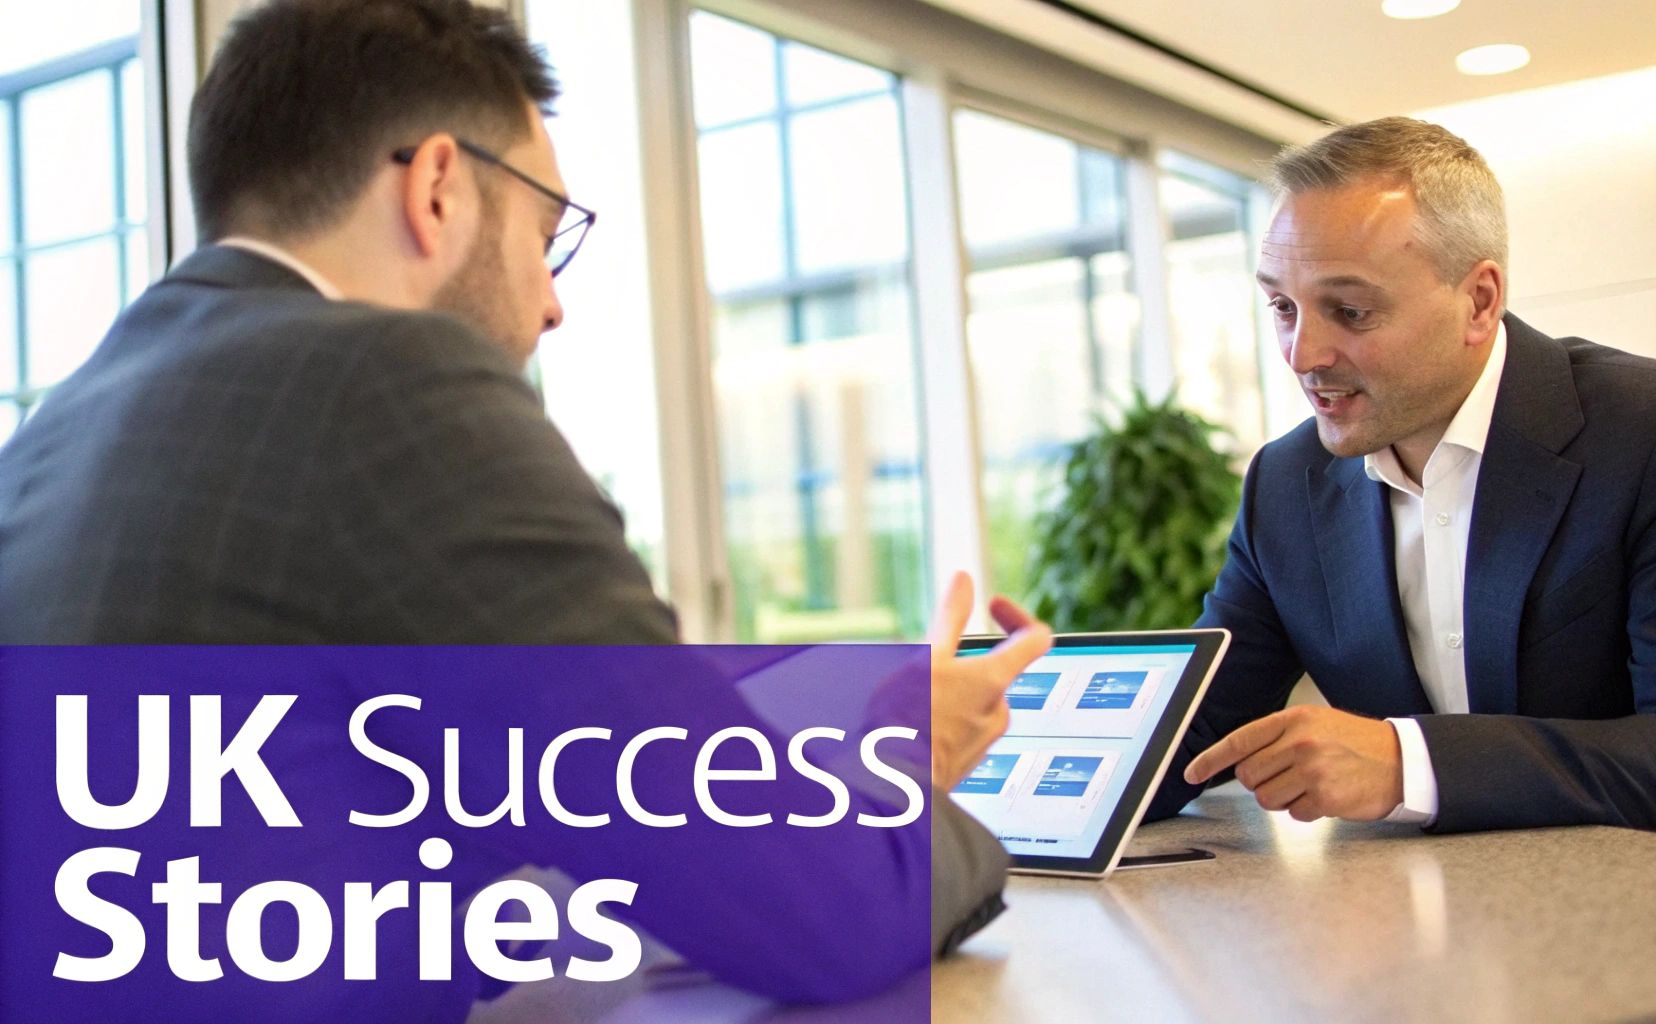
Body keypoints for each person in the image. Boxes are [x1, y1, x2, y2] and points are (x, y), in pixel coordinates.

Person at [0, 0, 1047, 1000]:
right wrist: (902, 755)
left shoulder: (58, 429)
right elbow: (823, 915)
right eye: (547, 234)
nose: (552, 303)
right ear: (440, 188)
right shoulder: (397, 385)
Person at [1145, 116, 1656, 869]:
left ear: (1479, 300)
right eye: (1282, 306)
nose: (1304, 354)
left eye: (1351, 311)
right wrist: (1006, 743)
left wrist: (1408, 762)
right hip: (1449, 921)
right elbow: (1190, 735)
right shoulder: (1285, 484)